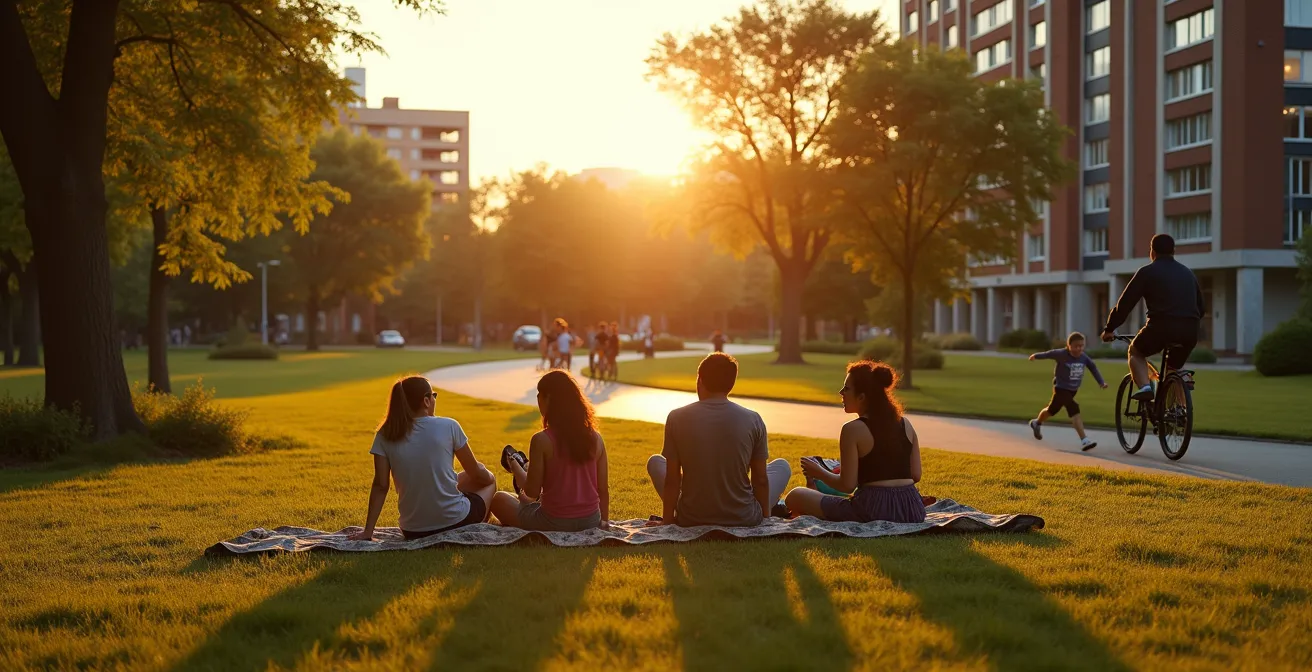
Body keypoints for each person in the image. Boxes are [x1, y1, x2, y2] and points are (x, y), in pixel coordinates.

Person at [647, 353, 792, 527]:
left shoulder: (676, 417)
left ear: (699, 380)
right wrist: (764, 520)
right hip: (743, 516)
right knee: (782, 466)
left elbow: (672, 479)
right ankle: (768, 511)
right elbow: (760, 479)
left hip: (691, 517)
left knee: (655, 462)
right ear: (731, 384)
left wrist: (668, 522)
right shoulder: (753, 419)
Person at [348, 376, 497, 541]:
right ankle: (479, 525)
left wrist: (368, 532)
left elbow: (381, 486)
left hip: (412, 530)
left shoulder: (385, 434)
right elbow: (476, 473)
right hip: (455, 520)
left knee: (464, 478)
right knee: (488, 480)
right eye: (434, 395)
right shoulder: (449, 426)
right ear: (426, 401)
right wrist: (491, 478)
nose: (434, 399)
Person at [783, 361, 926, 524]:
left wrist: (818, 472)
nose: (841, 392)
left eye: (846, 388)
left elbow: (847, 485)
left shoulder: (852, 429)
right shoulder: (906, 424)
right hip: (912, 509)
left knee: (795, 495)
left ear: (862, 397)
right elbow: (916, 475)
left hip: (871, 509)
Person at [490, 370, 610, 531]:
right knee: (526, 500)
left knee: (499, 499)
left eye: (539, 394)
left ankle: (523, 467)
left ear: (549, 399)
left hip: (553, 522)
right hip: (591, 521)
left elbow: (532, 491)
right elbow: (603, 489)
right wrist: (604, 521)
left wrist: (514, 466)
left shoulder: (541, 440)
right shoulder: (596, 439)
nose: (538, 399)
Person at [1100, 233, 1204, 400]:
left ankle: (1145, 388)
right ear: (1174, 251)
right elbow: (1201, 308)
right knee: (1174, 368)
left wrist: (1110, 328)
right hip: (1190, 331)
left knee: (1135, 351)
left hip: (1160, 328)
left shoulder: (1147, 272)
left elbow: (1125, 304)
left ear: (1152, 252)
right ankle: (1180, 415)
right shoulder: (1188, 273)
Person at [1027, 332, 1108, 451]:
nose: (1079, 348)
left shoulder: (1083, 357)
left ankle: (1036, 423)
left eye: (1081, 346)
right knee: (1074, 408)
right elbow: (1048, 354)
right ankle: (1084, 440)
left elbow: (1093, 368)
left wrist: (1101, 382)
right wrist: (1035, 356)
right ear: (1069, 345)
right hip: (1060, 388)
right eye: (1076, 346)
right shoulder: (1061, 354)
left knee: (1051, 410)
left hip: (1072, 390)